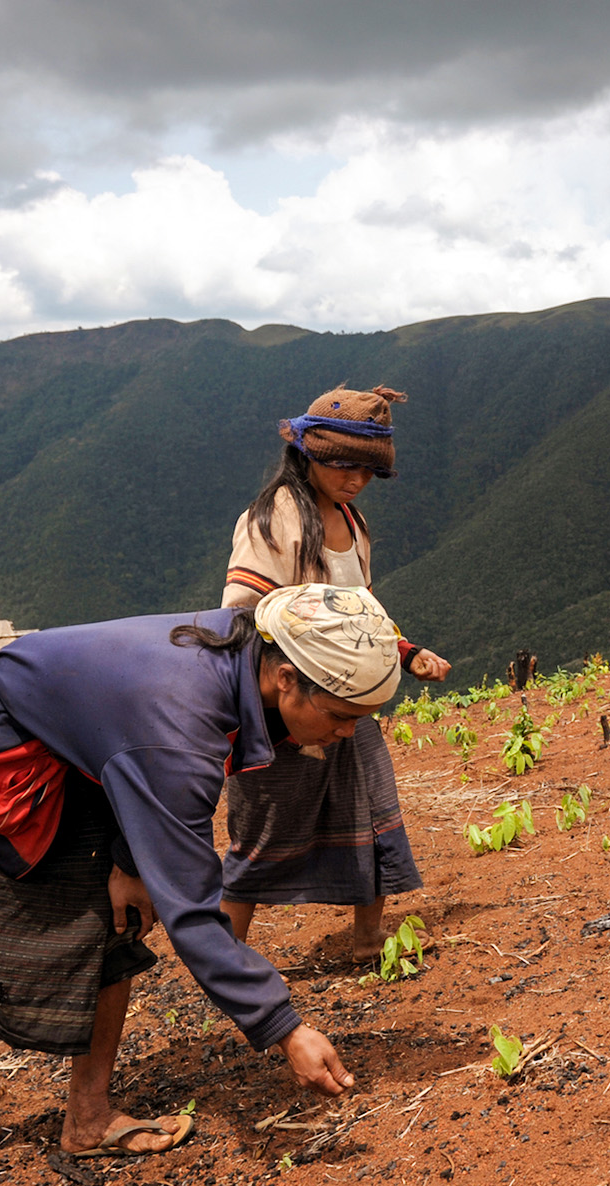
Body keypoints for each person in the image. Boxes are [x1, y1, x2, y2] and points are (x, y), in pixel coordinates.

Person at [0, 583, 396, 1175]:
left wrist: (129, 861)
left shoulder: (245, 647)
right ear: (285, 677)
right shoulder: (179, 723)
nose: (346, 733)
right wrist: (285, 1030)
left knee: (117, 924)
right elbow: (190, 906)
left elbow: (127, 748)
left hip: (87, 756)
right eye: (340, 716)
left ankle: (87, 1116)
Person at [220, 386, 450, 958]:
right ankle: (225, 959)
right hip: (289, 701)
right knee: (261, 827)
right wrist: (281, 686)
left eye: (367, 470)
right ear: (307, 453)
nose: (354, 479)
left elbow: (361, 611)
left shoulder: (353, 520)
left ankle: (367, 937)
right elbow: (240, 614)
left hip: (351, 699)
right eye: (342, 464)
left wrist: (404, 650)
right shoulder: (273, 519)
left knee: (371, 809)